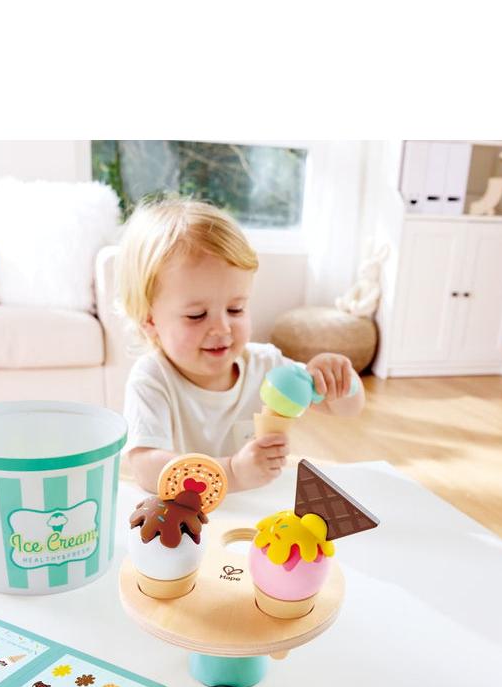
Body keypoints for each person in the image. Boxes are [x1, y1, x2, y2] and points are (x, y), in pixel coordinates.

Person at [116, 195, 364, 492]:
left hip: (256, 510)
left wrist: (339, 380)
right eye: (196, 315)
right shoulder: (152, 379)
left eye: (236, 309)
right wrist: (231, 472)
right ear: (150, 320)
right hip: (183, 513)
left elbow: (348, 409)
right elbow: (145, 468)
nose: (222, 328)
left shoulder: (267, 366)